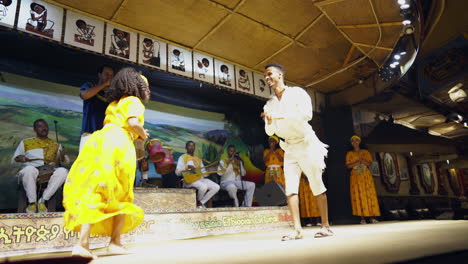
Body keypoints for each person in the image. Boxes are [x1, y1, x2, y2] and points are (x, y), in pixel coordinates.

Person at [63, 67, 150, 258]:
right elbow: (134, 123)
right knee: (121, 193)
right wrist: (143, 134)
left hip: (100, 141)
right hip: (119, 144)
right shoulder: (134, 101)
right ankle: (115, 242)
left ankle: (83, 244)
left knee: (95, 190)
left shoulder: (113, 103)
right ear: (137, 86)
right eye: (146, 86)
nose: (147, 90)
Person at [261, 63, 332, 240]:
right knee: (290, 189)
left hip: (307, 143)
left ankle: (326, 226)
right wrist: (269, 121)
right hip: (289, 147)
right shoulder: (269, 104)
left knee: (317, 184)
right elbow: (270, 133)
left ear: (280, 75)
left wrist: (281, 116)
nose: (267, 78)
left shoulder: (297, 93)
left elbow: (307, 115)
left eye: (270, 74)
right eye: (265, 76)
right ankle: (297, 230)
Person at [11, 119, 69, 213]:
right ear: (34, 129)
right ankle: (32, 203)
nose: (44, 128)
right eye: (40, 126)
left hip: (49, 171)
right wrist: (19, 158)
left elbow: (65, 161)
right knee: (29, 170)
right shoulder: (25, 143)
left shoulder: (55, 145)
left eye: (45, 126)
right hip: (31, 170)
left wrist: (62, 157)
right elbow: (14, 160)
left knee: (63, 171)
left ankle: (43, 200)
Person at [345, 135, 380, 224]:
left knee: (369, 194)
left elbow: (369, 163)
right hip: (355, 177)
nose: (355, 142)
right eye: (353, 141)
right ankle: (362, 218)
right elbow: (348, 165)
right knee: (359, 195)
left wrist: (362, 160)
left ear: (359, 142)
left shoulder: (365, 152)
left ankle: (372, 217)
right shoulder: (349, 153)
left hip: (365, 176)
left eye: (356, 140)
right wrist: (357, 162)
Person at [79, 65, 114, 151]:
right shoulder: (89, 85)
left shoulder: (113, 95)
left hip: (106, 139)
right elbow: (84, 95)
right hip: (89, 135)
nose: (109, 78)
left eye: (111, 76)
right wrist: (105, 84)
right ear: (99, 75)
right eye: (106, 74)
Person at [175, 141, 220, 208]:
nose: (191, 147)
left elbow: (203, 173)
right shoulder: (182, 157)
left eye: (193, 146)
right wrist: (187, 168)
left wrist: (209, 171)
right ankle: (199, 204)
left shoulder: (198, 158)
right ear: (186, 148)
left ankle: (200, 203)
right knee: (203, 187)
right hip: (189, 180)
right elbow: (177, 172)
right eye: (189, 146)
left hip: (200, 179)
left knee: (216, 187)